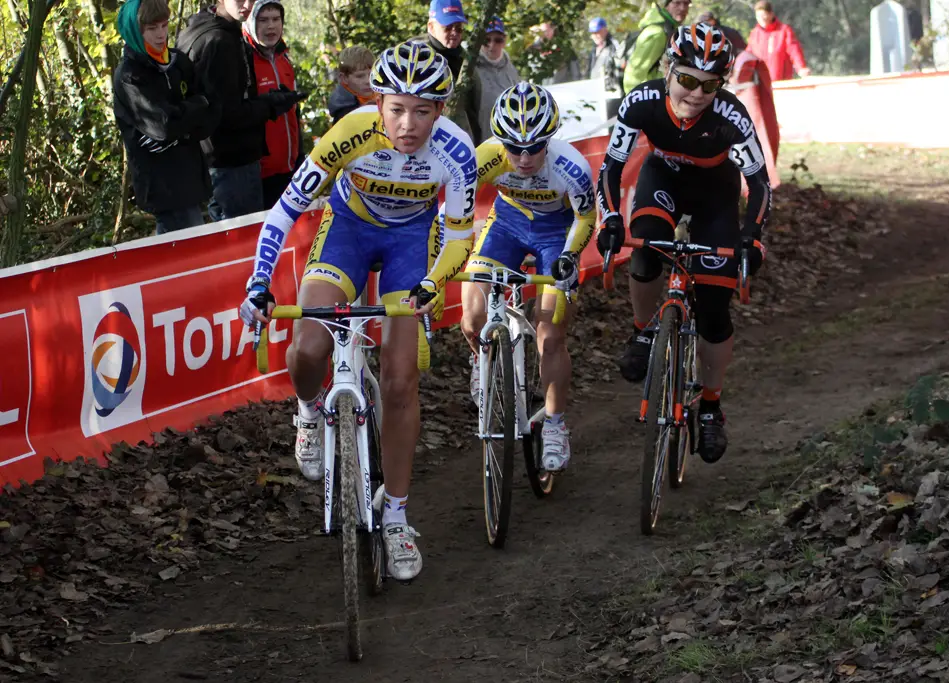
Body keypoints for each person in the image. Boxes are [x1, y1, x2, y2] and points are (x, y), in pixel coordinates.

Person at [239, 42, 477, 581]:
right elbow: (282, 214)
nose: (408, 123)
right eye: (396, 108)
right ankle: (307, 410)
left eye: (423, 111)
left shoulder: (457, 152)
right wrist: (258, 284)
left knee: (400, 380)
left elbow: (460, 233)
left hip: (412, 242)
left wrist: (432, 284)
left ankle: (395, 516)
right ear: (377, 101)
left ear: (441, 110)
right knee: (307, 346)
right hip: (346, 230)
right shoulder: (347, 134)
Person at [595, 23, 771, 465]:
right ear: (669, 69)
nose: (696, 93)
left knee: (714, 309)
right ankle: (642, 332)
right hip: (663, 181)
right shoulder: (642, 102)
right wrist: (611, 218)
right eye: (687, 79)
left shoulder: (731, 116)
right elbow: (610, 170)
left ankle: (710, 406)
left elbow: (760, 184)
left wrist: (751, 236)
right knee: (646, 248)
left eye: (709, 86)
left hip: (715, 194)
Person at [461, 82, 595, 472]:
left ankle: (554, 424)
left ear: (548, 139)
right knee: (472, 317)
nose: (522, 158)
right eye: (513, 147)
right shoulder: (485, 157)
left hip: (557, 233)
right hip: (506, 226)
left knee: (550, 334)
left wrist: (569, 257)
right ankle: (480, 361)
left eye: (534, 147)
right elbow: (456, 202)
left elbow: (587, 217)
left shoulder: (571, 166)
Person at [177, 0, 305, 221]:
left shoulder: (219, 31)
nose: (247, 4)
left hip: (241, 162)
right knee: (246, 242)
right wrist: (269, 105)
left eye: (276, 20)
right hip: (232, 162)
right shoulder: (218, 40)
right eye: (264, 20)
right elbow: (226, 114)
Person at [113, 0, 216, 234]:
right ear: (136, 31)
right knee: (186, 251)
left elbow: (209, 106)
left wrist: (188, 117)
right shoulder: (129, 76)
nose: (161, 34)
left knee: (194, 246)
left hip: (191, 174)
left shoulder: (177, 61)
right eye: (152, 28)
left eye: (164, 25)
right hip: (161, 183)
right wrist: (194, 108)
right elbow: (162, 126)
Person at [243, 0, 304, 210]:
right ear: (251, 21)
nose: (271, 26)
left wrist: (299, 156)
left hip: (289, 168)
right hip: (258, 172)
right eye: (264, 20)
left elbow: (294, 115)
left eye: (276, 19)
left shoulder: (283, 58)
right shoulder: (244, 59)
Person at [413, 0, 482, 143]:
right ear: (431, 27)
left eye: (458, 28)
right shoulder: (417, 56)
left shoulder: (464, 57)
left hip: (465, 141)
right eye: (448, 27)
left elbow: (474, 107)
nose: (454, 33)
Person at [622, 0, 690, 93]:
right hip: (650, 95)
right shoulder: (658, 33)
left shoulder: (671, 28)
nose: (682, 8)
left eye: (686, 4)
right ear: (667, 5)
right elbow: (634, 73)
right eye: (677, 3)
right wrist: (635, 102)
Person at [475, 17, 520, 141]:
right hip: (480, 144)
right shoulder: (471, 69)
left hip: (510, 142)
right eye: (486, 40)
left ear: (504, 41)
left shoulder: (511, 69)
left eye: (498, 40)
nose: (491, 45)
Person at [747, 0, 810, 82]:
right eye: (758, 16)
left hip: (782, 83)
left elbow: (794, 50)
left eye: (764, 15)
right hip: (761, 84)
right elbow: (748, 55)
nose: (761, 19)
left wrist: (801, 67)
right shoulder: (754, 34)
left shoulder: (784, 31)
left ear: (771, 14)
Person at [585, 17, 624, 122]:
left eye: (598, 31)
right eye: (593, 33)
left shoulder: (614, 46)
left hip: (612, 94)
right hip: (596, 93)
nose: (595, 35)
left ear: (605, 30)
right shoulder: (594, 49)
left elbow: (619, 67)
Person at [328, 46, 375, 123]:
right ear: (344, 78)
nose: (368, 81)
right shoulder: (342, 114)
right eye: (360, 76)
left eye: (372, 74)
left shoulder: (384, 94)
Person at [528, 22, 581, 86]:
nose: (545, 34)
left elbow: (575, 71)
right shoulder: (532, 49)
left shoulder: (563, 47)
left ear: (553, 30)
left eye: (547, 31)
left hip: (560, 89)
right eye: (542, 31)